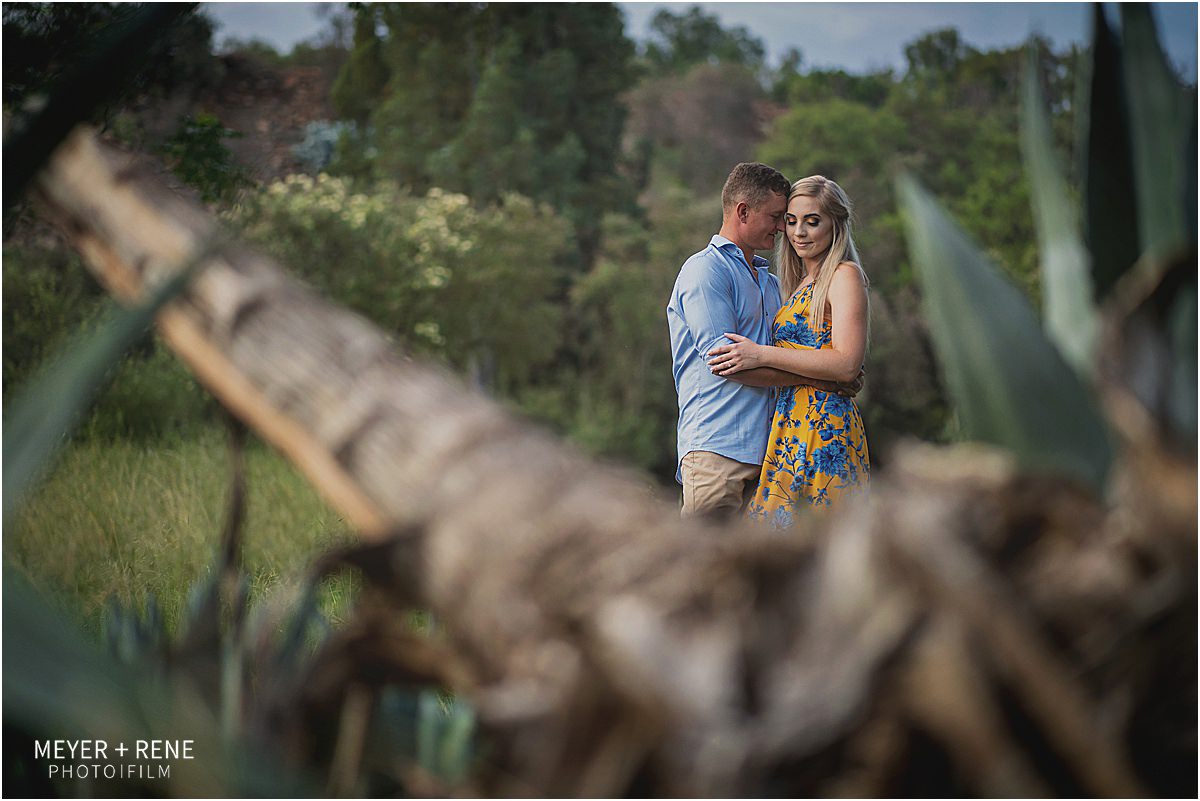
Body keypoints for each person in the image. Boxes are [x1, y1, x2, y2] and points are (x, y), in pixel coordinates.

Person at [667, 163, 858, 519]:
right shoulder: (705, 271)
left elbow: (781, 356)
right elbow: (728, 364)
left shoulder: (772, 283)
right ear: (743, 211)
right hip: (717, 450)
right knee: (706, 563)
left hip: (774, 454)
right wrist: (820, 380)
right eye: (777, 217)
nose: (783, 229)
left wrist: (832, 366)